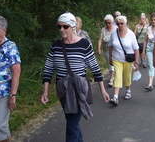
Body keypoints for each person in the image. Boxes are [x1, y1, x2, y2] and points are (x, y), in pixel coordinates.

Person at [41, 12, 109, 142]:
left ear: (73, 26)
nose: (61, 29)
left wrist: (103, 90)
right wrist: (45, 91)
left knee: (72, 123)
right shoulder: (55, 46)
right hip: (62, 89)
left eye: (65, 26)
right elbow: (48, 68)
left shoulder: (84, 44)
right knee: (72, 121)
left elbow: (95, 68)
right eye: (59, 27)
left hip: (79, 89)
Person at [108, 15, 140, 106]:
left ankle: (128, 91)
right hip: (116, 59)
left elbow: (136, 49)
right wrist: (110, 58)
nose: (120, 25)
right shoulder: (114, 33)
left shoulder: (130, 34)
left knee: (127, 76)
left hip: (128, 60)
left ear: (125, 23)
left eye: (122, 23)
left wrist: (136, 62)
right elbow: (110, 47)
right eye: (118, 24)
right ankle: (115, 97)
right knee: (117, 76)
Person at [142, 13, 155, 91]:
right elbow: (145, 40)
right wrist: (143, 51)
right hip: (150, 48)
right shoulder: (149, 28)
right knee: (150, 65)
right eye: (152, 20)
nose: (153, 21)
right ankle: (150, 83)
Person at [97, 14, 117, 87]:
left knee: (113, 64)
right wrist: (99, 49)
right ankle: (113, 76)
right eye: (106, 23)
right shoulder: (103, 29)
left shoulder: (116, 29)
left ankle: (111, 79)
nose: (108, 24)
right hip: (106, 50)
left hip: (114, 50)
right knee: (109, 64)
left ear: (112, 22)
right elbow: (100, 40)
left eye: (109, 23)